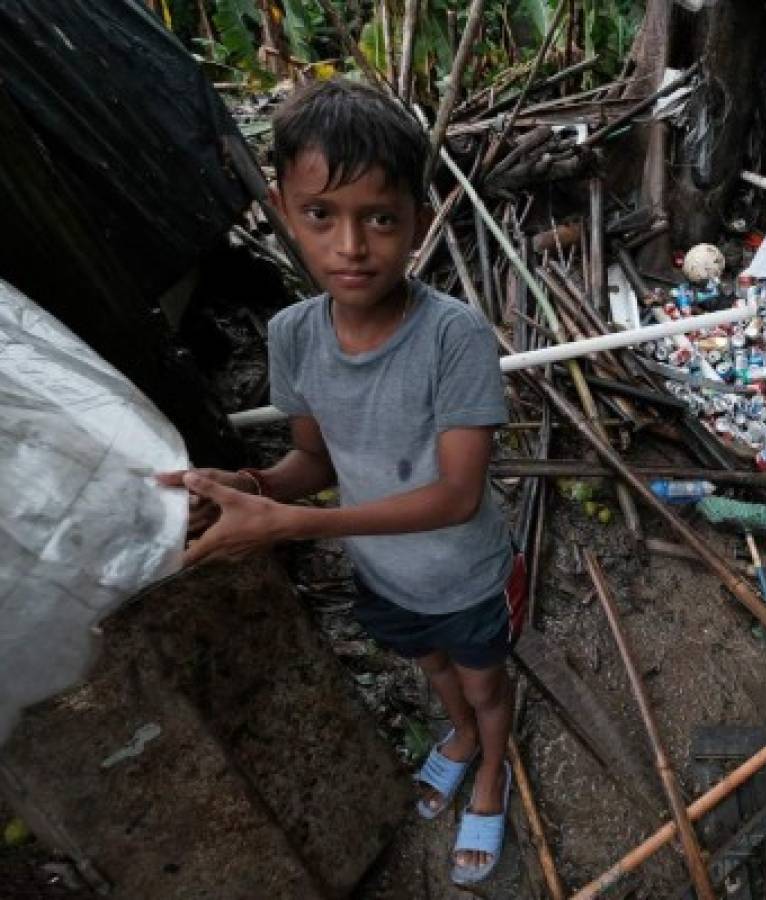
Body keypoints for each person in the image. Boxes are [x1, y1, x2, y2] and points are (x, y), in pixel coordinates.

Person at [157, 78, 524, 886]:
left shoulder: (454, 338)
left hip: (464, 576)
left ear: (418, 228)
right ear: (285, 212)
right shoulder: (294, 335)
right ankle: (457, 737)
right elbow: (316, 463)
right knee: (431, 669)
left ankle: (490, 765)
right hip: (384, 573)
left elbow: (457, 496)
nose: (351, 245)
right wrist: (250, 481)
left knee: (484, 681)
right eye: (322, 215)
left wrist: (288, 526)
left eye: (379, 219)